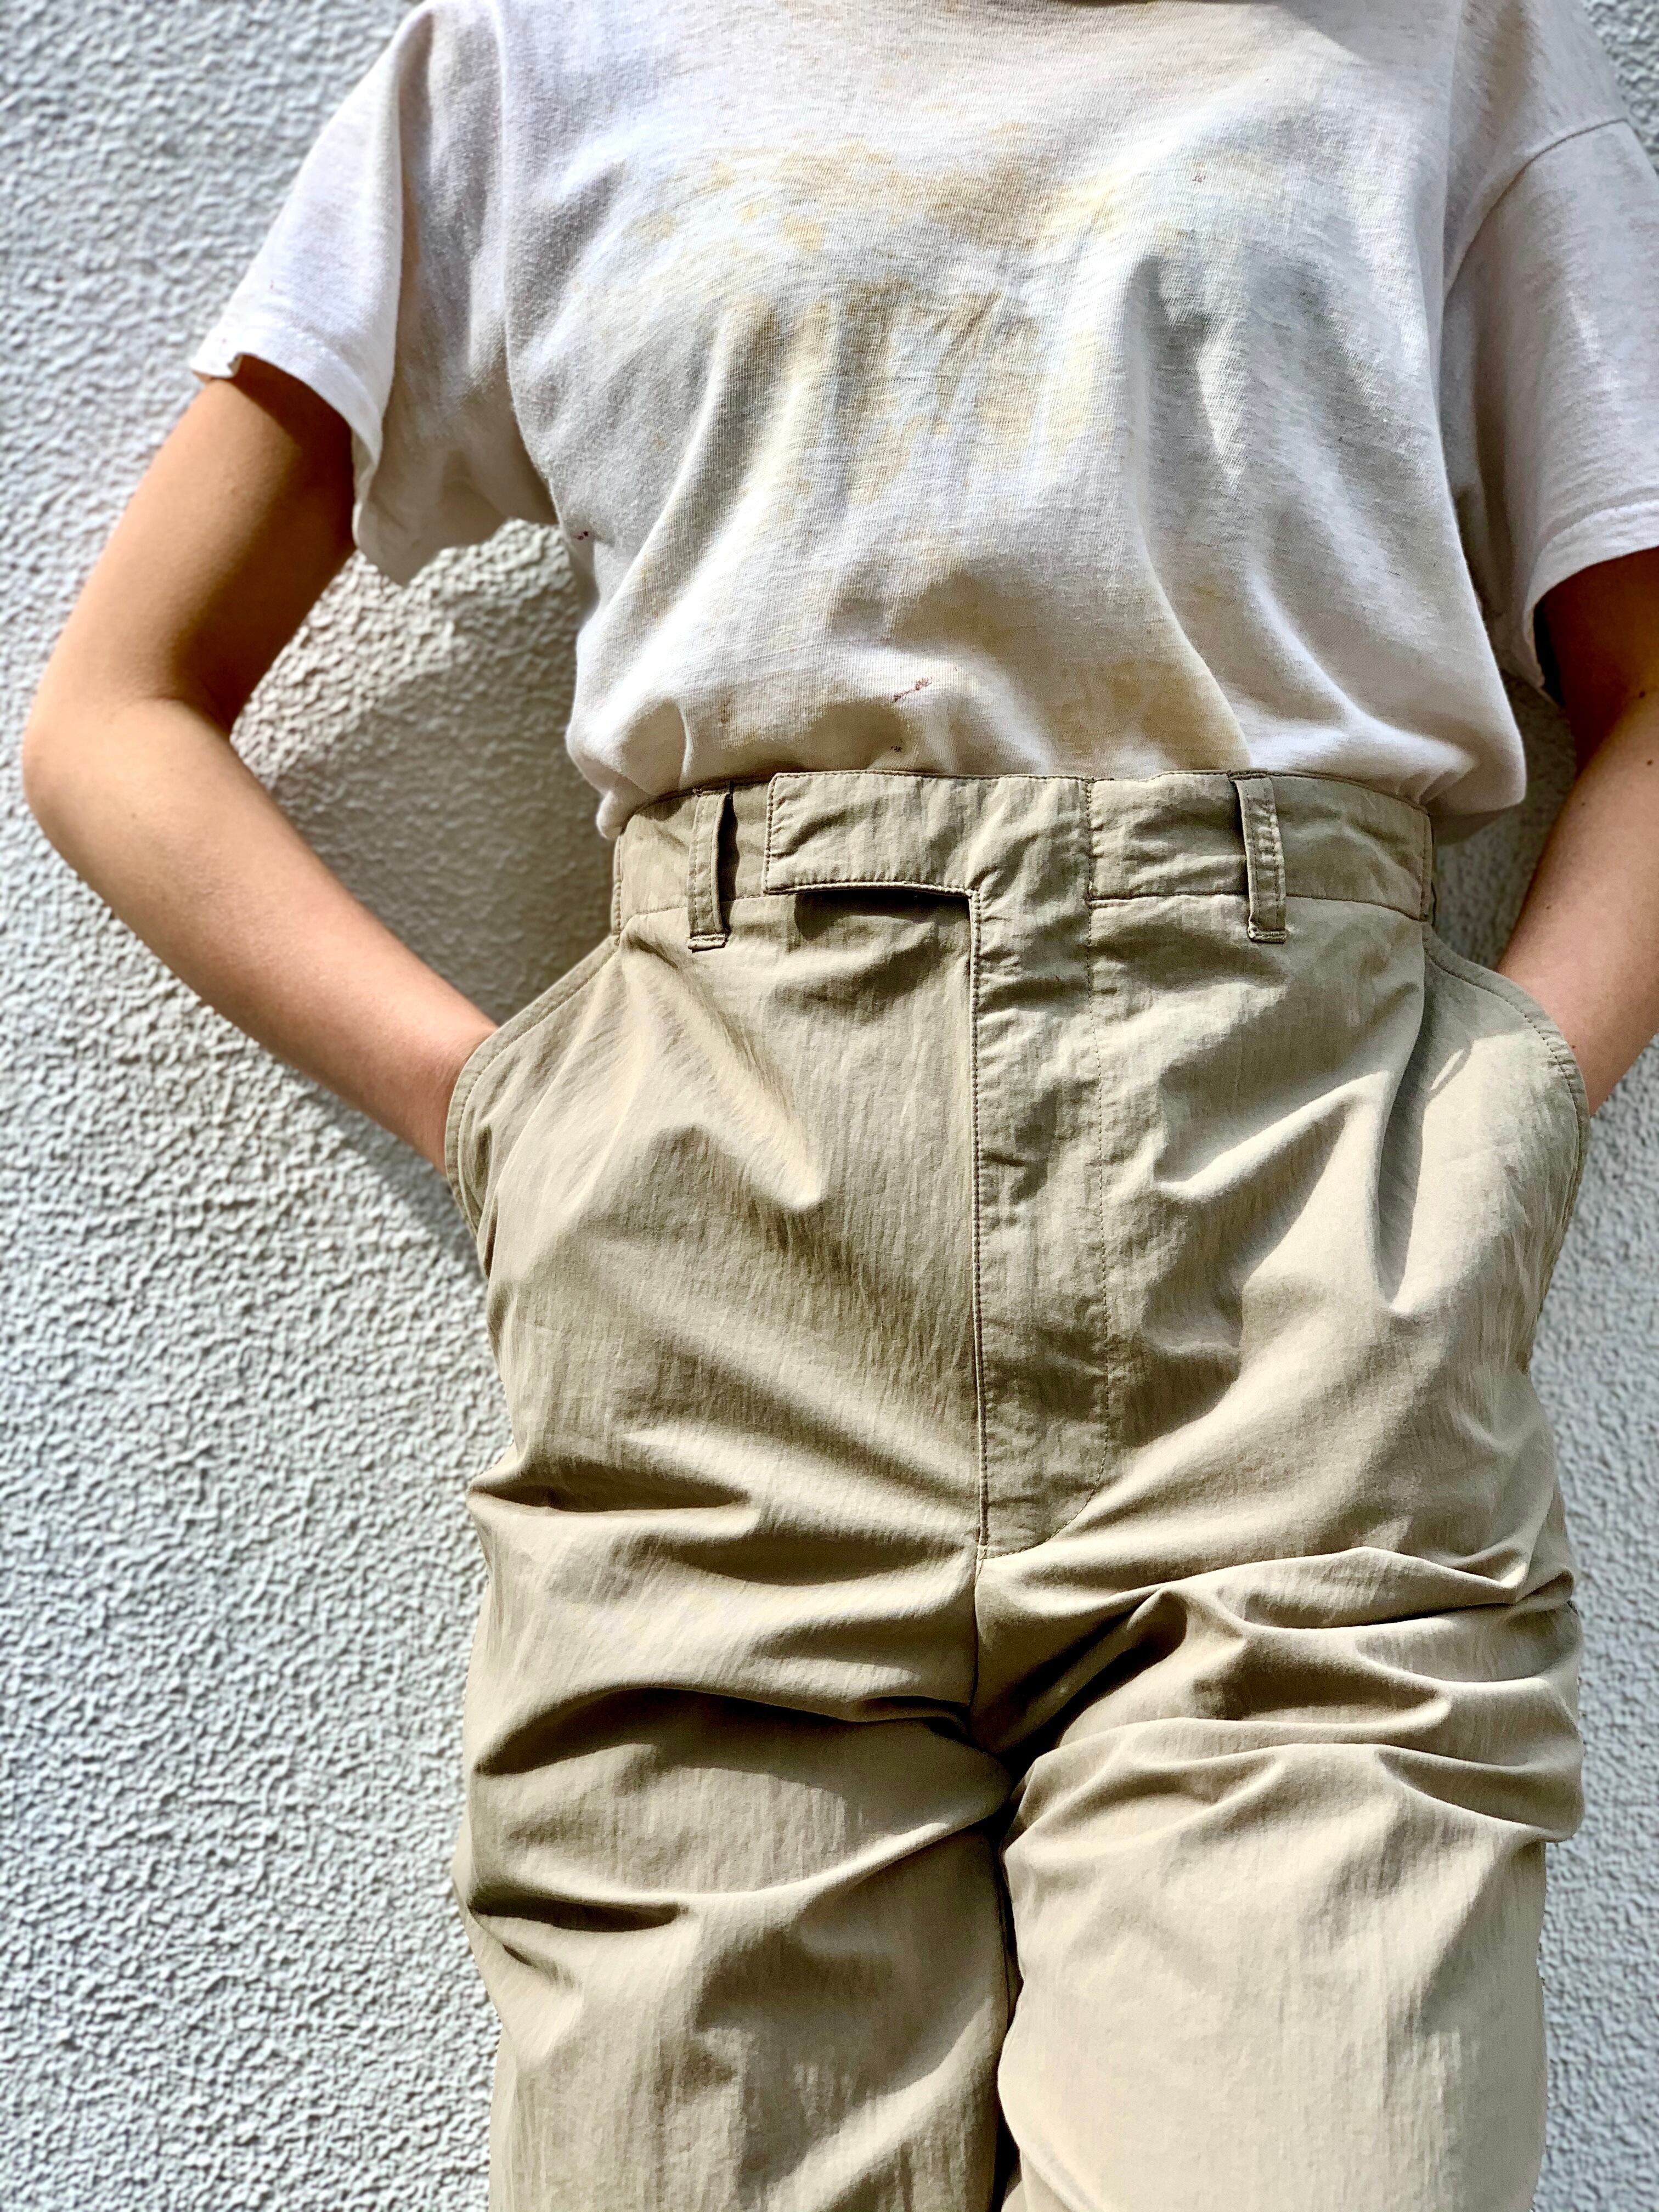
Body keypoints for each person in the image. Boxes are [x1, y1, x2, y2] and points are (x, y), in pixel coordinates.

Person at [21, 0, 1659, 2204]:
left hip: (1299, 1286)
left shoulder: (1442, 46)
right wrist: (503, 1119)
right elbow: (117, 714)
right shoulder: (546, 54)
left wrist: (1515, 1106)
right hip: (718, 1337)